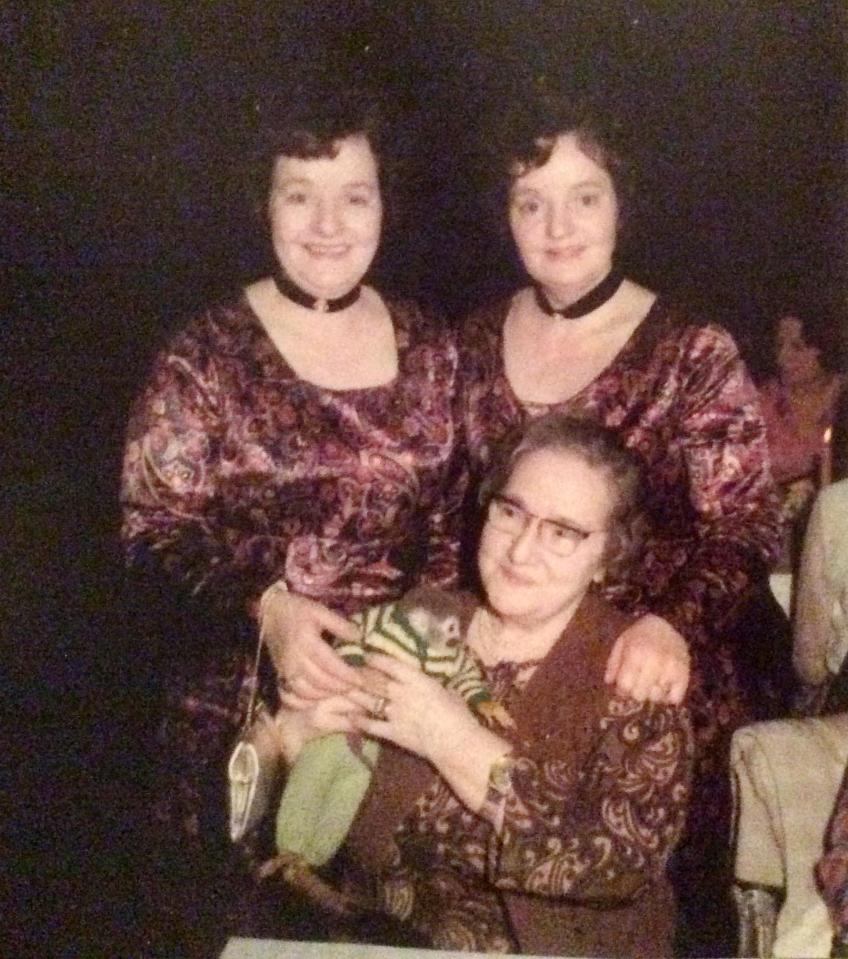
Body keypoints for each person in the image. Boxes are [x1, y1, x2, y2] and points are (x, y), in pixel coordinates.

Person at [119, 85, 466, 953]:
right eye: (297, 193)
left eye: (355, 194)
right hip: (236, 732)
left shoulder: (435, 347)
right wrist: (265, 607)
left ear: (388, 205)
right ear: (262, 203)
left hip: (399, 721)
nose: (327, 223)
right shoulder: (203, 353)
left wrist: (400, 660)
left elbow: (460, 534)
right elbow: (147, 538)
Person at [455, 91, 784, 953]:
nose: (557, 224)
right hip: (499, 685)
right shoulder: (471, 339)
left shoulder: (691, 348)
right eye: (532, 201)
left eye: (585, 196)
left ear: (623, 203)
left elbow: (749, 525)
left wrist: (668, 624)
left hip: (646, 691)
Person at [273, 413, 693, 957]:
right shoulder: (417, 622)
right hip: (376, 939)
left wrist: (451, 739)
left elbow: (621, 865)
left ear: (607, 558)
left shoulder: (634, 672)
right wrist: (290, 744)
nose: (521, 551)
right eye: (510, 511)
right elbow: (297, 817)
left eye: (563, 532)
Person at [758, 313, 845, 567]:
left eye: (797, 346)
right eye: (779, 345)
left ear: (824, 346)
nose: (782, 357)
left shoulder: (843, 400)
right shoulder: (763, 402)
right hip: (776, 545)